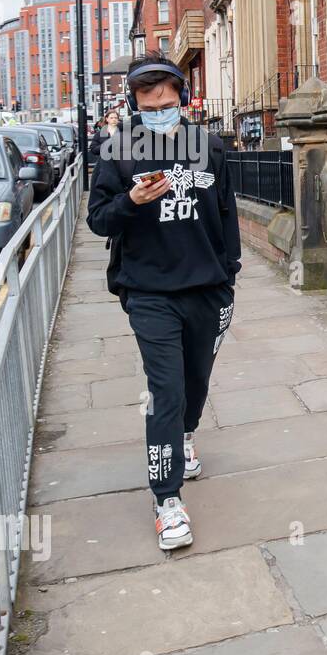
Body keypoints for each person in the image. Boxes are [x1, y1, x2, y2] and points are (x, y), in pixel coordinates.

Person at [86, 53, 241, 550]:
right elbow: (98, 221)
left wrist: (229, 272)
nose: (159, 113)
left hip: (208, 287)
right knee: (166, 389)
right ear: (134, 104)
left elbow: (226, 212)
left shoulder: (208, 146)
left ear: (183, 100)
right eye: (149, 106)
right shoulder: (119, 151)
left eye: (168, 104)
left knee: (196, 379)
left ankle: (187, 436)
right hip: (149, 290)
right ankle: (166, 498)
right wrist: (131, 202)